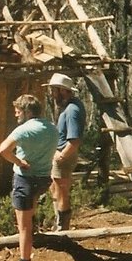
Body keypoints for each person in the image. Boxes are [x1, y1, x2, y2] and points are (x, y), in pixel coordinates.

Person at [0, 94, 59, 261]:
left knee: (24, 226)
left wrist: (19, 161)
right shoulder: (52, 128)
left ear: (27, 111)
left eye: (18, 112)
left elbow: (3, 149)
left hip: (25, 179)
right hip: (43, 179)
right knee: (29, 218)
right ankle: (29, 248)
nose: (16, 115)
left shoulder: (23, 130)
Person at [44, 72, 86, 232]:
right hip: (62, 153)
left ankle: (63, 228)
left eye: (54, 90)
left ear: (62, 90)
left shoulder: (72, 110)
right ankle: (59, 223)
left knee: (61, 191)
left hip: (64, 155)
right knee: (56, 189)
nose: (52, 94)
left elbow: (74, 140)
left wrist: (61, 156)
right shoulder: (69, 106)